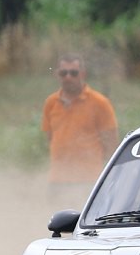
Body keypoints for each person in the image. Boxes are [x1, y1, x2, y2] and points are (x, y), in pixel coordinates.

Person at [42, 55, 119, 202]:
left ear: (83, 74)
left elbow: (111, 144)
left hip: (89, 180)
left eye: (74, 73)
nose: (68, 77)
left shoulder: (100, 103)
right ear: (57, 75)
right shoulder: (51, 103)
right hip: (57, 179)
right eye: (63, 73)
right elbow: (50, 137)